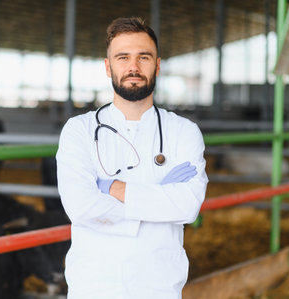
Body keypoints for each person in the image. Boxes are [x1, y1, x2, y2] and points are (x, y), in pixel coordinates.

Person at [56, 17, 208, 299]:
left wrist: (114, 188)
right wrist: (160, 198)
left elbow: (187, 207)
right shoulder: (80, 131)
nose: (133, 67)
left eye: (144, 57)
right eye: (123, 57)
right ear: (107, 66)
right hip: (93, 286)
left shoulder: (184, 131)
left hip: (159, 286)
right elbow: (81, 208)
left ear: (158, 65)